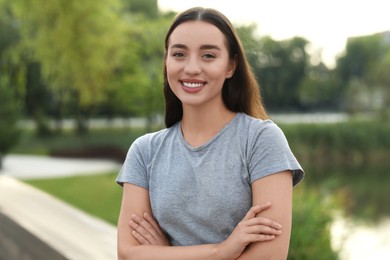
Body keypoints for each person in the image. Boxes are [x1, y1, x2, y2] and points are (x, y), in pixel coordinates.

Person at [116, 7, 304, 259]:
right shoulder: (145, 151)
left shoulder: (261, 140)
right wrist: (221, 251)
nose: (192, 68)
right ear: (167, 62)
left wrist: (164, 253)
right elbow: (128, 254)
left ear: (231, 65)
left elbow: (270, 256)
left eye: (208, 55)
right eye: (179, 54)